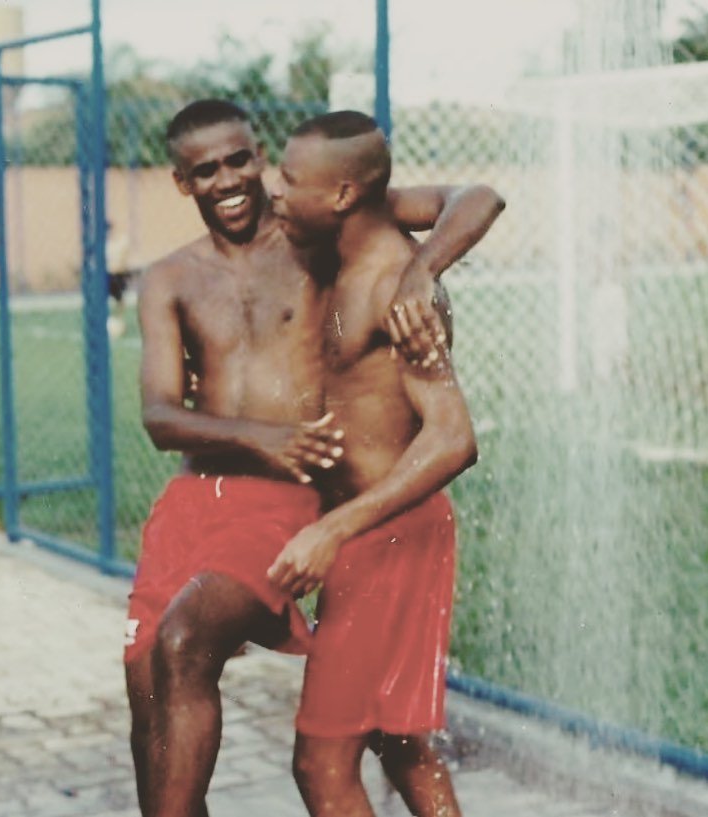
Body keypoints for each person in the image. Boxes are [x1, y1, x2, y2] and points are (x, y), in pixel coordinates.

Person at [126, 98, 504, 817]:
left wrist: (424, 269)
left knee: (316, 754)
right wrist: (267, 443)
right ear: (182, 181)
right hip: (288, 511)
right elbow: (156, 412)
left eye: (252, 162)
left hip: (349, 519)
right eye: (205, 169)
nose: (248, 184)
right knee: (396, 742)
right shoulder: (202, 267)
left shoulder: (350, 244)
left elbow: (475, 198)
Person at [268, 111, 480, 816]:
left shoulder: (394, 283)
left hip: (388, 534)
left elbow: (452, 437)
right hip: (371, 529)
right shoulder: (348, 232)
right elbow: (470, 198)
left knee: (321, 761)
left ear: (339, 195)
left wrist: (333, 530)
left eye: (289, 179)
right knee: (400, 742)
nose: (275, 189)